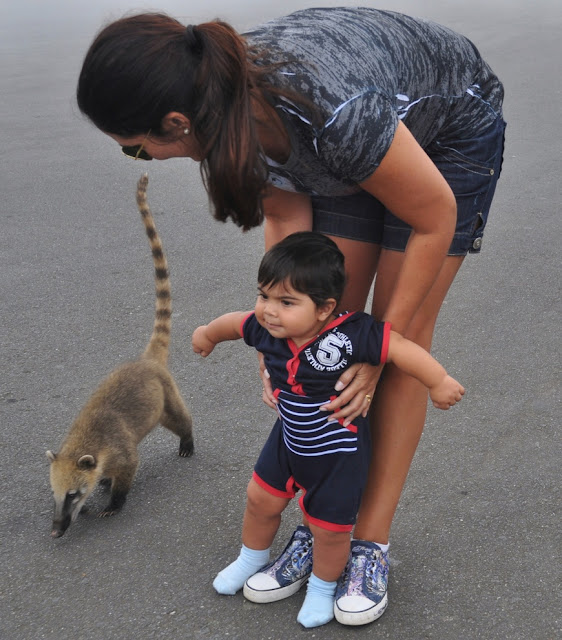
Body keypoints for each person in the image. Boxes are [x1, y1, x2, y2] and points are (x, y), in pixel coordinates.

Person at [77, 6, 505, 625]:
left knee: (383, 345)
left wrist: (380, 348)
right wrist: (276, 334)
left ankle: (368, 545)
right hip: (356, 133)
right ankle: (325, 520)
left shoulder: (331, 114)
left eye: (137, 152)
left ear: (175, 122)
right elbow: (286, 222)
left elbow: (432, 216)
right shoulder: (221, 108)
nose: (143, 159)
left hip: (448, 132)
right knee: (323, 328)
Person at [192, 231, 465, 628]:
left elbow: (400, 347)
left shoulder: (349, 335)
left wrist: (437, 380)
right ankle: (250, 559)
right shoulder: (266, 328)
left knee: (331, 531)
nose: (269, 311)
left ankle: (322, 587)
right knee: (259, 500)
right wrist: (208, 334)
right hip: (286, 442)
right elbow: (235, 323)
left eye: (286, 302)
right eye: (264, 295)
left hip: (336, 453)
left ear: (324, 309)